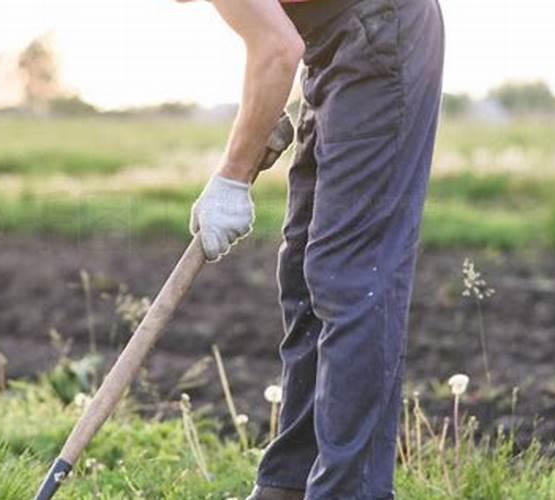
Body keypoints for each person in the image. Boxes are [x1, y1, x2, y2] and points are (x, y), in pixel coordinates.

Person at [180, 0, 445, 498]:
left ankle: (348, 490)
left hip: (380, 26)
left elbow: (277, 50)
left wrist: (232, 179)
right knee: (304, 271)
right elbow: (275, 37)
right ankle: (290, 482)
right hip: (335, 41)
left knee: (351, 275)